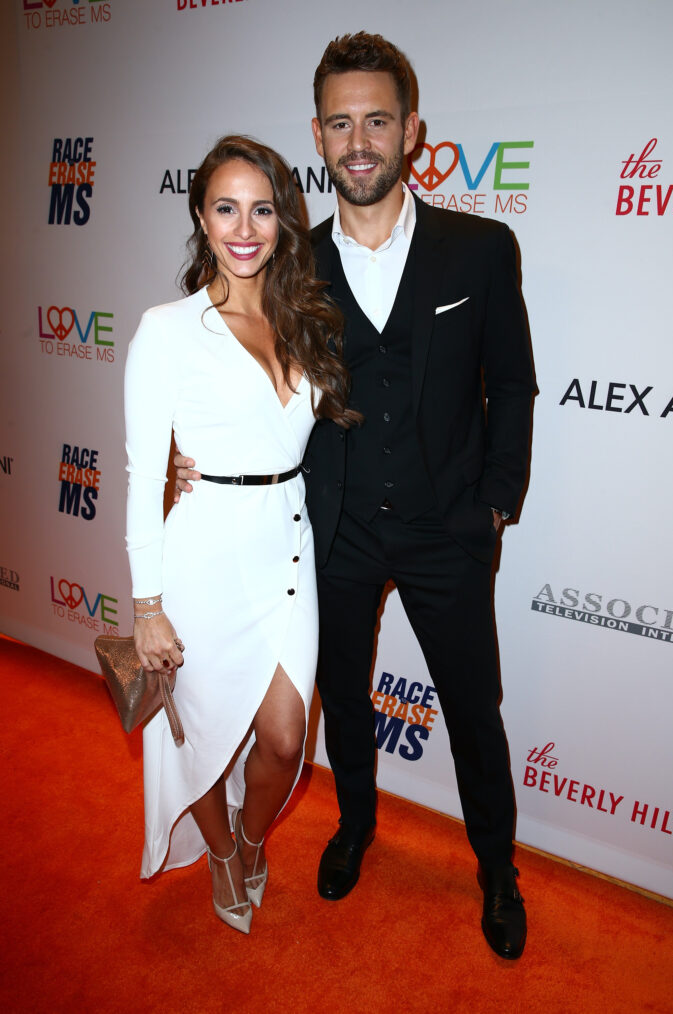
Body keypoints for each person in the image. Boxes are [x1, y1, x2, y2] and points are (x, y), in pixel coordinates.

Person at [175, 33, 536, 959]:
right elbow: (223, 360)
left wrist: (493, 502)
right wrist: (185, 455)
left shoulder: (481, 249)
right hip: (330, 530)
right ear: (319, 137)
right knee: (342, 692)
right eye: (341, 122)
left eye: (378, 118)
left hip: (447, 527)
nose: (360, 138)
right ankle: (355, 828)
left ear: (412, 129)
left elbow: (515, 384)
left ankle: (497, 866)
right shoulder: (291, 268)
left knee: (470, 704)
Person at [125, 135, 358, 934]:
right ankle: (221, 848)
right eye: (226, 207)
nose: (245, 226)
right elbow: (138, 472)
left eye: (262, 208)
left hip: (287, 548)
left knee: (287, 736)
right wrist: (147, 604)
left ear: (284, 220)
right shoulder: (168, 328)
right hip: (204, 554)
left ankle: (252, 836)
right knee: (194, 731)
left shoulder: (305, 319)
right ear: (201, 216)